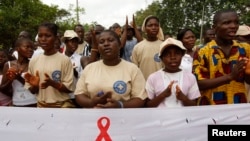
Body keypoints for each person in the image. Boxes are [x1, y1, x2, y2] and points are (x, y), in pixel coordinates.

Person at [74, 30, 147, 108]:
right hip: (94, 118)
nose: (106, 44)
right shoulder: (89, 68)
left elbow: (140, 99)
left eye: (110, 40)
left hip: (123, 118)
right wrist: (91, 102)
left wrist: (120, 105)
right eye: (101, 42)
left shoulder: (133, 69)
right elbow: (79, 94)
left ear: (119, 45)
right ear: (98, 48)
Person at [192, 9, 250, 105]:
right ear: (214, 28)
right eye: (227, 23)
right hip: (211, 109)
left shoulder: (245, 49)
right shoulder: (202, 51)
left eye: (236, 22)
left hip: (238, 107)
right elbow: (198, 84)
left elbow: (248, 80)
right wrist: (230, 77)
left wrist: (247, 72)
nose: (233, 26)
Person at [24, 22, 75, 108]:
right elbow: (33, 91)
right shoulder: (34, 60)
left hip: (62, 106)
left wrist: (53, 83)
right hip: (41, 107)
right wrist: (35, 86)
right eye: (40, 36)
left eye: (47, 36)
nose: (43, 39)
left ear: (55, 38)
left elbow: (69, 89)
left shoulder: (65, 60)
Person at [145, 38, 200, 108]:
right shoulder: (153, 78)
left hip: (183, 118)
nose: (173, 57)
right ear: (161, 58)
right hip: (161, 118)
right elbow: (148, 105)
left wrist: (184, 98)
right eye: (168, 54)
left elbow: (194, 105)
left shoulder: (190, 77)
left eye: (177, 53)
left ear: (182, 56)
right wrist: (163, 95)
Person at [1, 38, 37, 107]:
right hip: (16, 103)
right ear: (17, 49)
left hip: (33, 103)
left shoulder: (33, 64)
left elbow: (34, 90)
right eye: (27, 47)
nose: (31, 50)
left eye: (32, 48)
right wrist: (10, 79)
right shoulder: (8, 65)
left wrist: (18, 78)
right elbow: (2, 88)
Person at [131, 15, 164, 80]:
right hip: (143, 85)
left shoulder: (164, 46)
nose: (153, 27)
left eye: (156, 25)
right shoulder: (137, 47)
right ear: (145, 28)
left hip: (162, 86)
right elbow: (134, 69)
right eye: (150, 25)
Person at [61, 30, 82, 107]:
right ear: (66, 42)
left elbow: (83, 79)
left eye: (76, 42)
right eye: (71, 42)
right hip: (62, 96)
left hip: (76, 96)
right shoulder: (59, 58)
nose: (74, 44)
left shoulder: (80, 59)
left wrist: (75, 72)